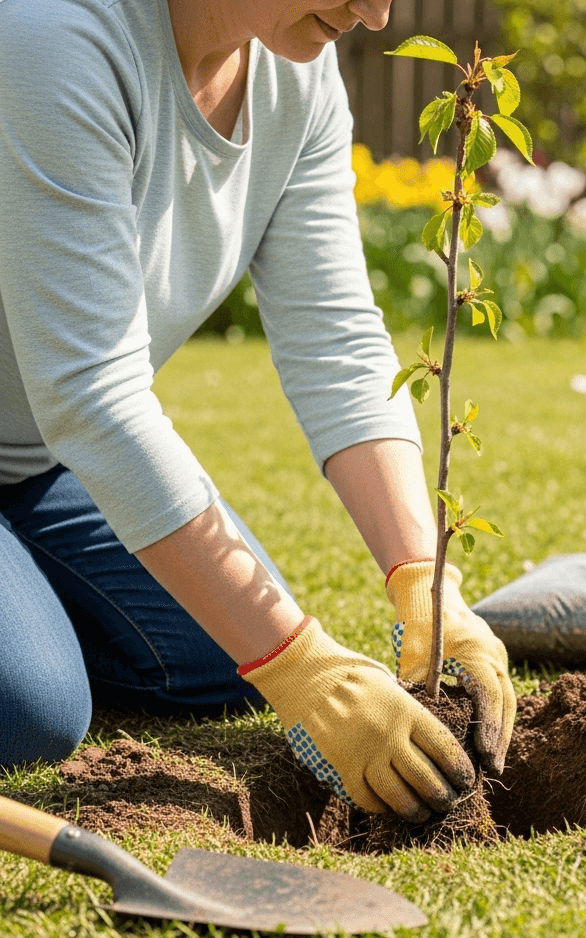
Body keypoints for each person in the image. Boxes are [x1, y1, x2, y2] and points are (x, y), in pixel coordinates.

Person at [0, 0, 515, 823]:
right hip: (64, 430)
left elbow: (336, 340)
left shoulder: (293, 74)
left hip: (35, 464)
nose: (375, 13)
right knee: (32, 706)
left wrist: (426, 584)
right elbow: (92, 391)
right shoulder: (50, 41)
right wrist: (298, 662)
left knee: (216, 653)